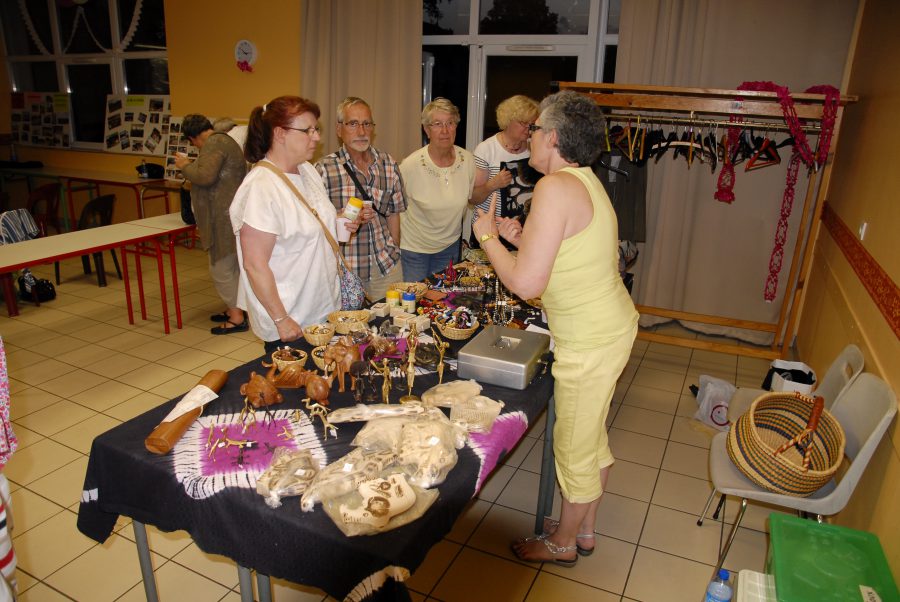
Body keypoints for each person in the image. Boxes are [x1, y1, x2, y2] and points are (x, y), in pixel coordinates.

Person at [472, 90, 639, 567]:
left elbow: (527, 284)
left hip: (591, 340)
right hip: (608, 328)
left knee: (572, 446)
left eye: (536, 128)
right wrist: (520, 239)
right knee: (591, 437)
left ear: (554, 138)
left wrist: (487, 237)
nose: (529, 135)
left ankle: (563, 543)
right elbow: (565, 256)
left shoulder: (554, 187)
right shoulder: (582, 180)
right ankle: (583, 529)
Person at [229, 96, 341, 354]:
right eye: (307, 130)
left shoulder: (306, 170)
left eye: (316, 129)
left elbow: (308, 223)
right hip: (292, 318)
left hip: (323, 307)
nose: (316, 137)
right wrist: (281, 319)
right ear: (280, 134)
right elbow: (254, 264)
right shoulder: (261, 187)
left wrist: (339, 220)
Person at [316, 97, 408, 301]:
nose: (361, 131)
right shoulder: (324, 170)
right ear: (339, 129)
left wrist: (394, 248)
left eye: (367, 124)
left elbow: (394, 213)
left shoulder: (388, 164)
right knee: (349, 322)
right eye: (353, 124)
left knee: (392, 319)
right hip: (345, 270)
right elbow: (316, 223)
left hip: (386, 266)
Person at [174, 115, 248, 334]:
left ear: (192, 138)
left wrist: (184, 165)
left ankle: (237, 318)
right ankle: (236, 309)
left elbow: (205, 176)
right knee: (233, 267)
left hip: (221, 220)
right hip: (228, 217)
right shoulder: (223, 141)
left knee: (221, 269)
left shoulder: (215, 143)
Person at [399, 98, 476, 283]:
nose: (445, 130)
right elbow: (393, 207)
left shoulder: (467, 160)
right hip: (415, 249)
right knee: (415, 299)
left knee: (444, 298)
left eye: (450, 123)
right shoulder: (410, 165)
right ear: (427, 130)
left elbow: (470, 198)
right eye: (437, 124)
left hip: (450, 247)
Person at [469, 95, 539, 247]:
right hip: (490, 232)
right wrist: (492, 184)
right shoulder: (486, 149)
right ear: (508, 121)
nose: (528, 128)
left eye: (532, 124)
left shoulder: (534, 148)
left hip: (522, 233)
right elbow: (473, 198)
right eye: (523, 123)